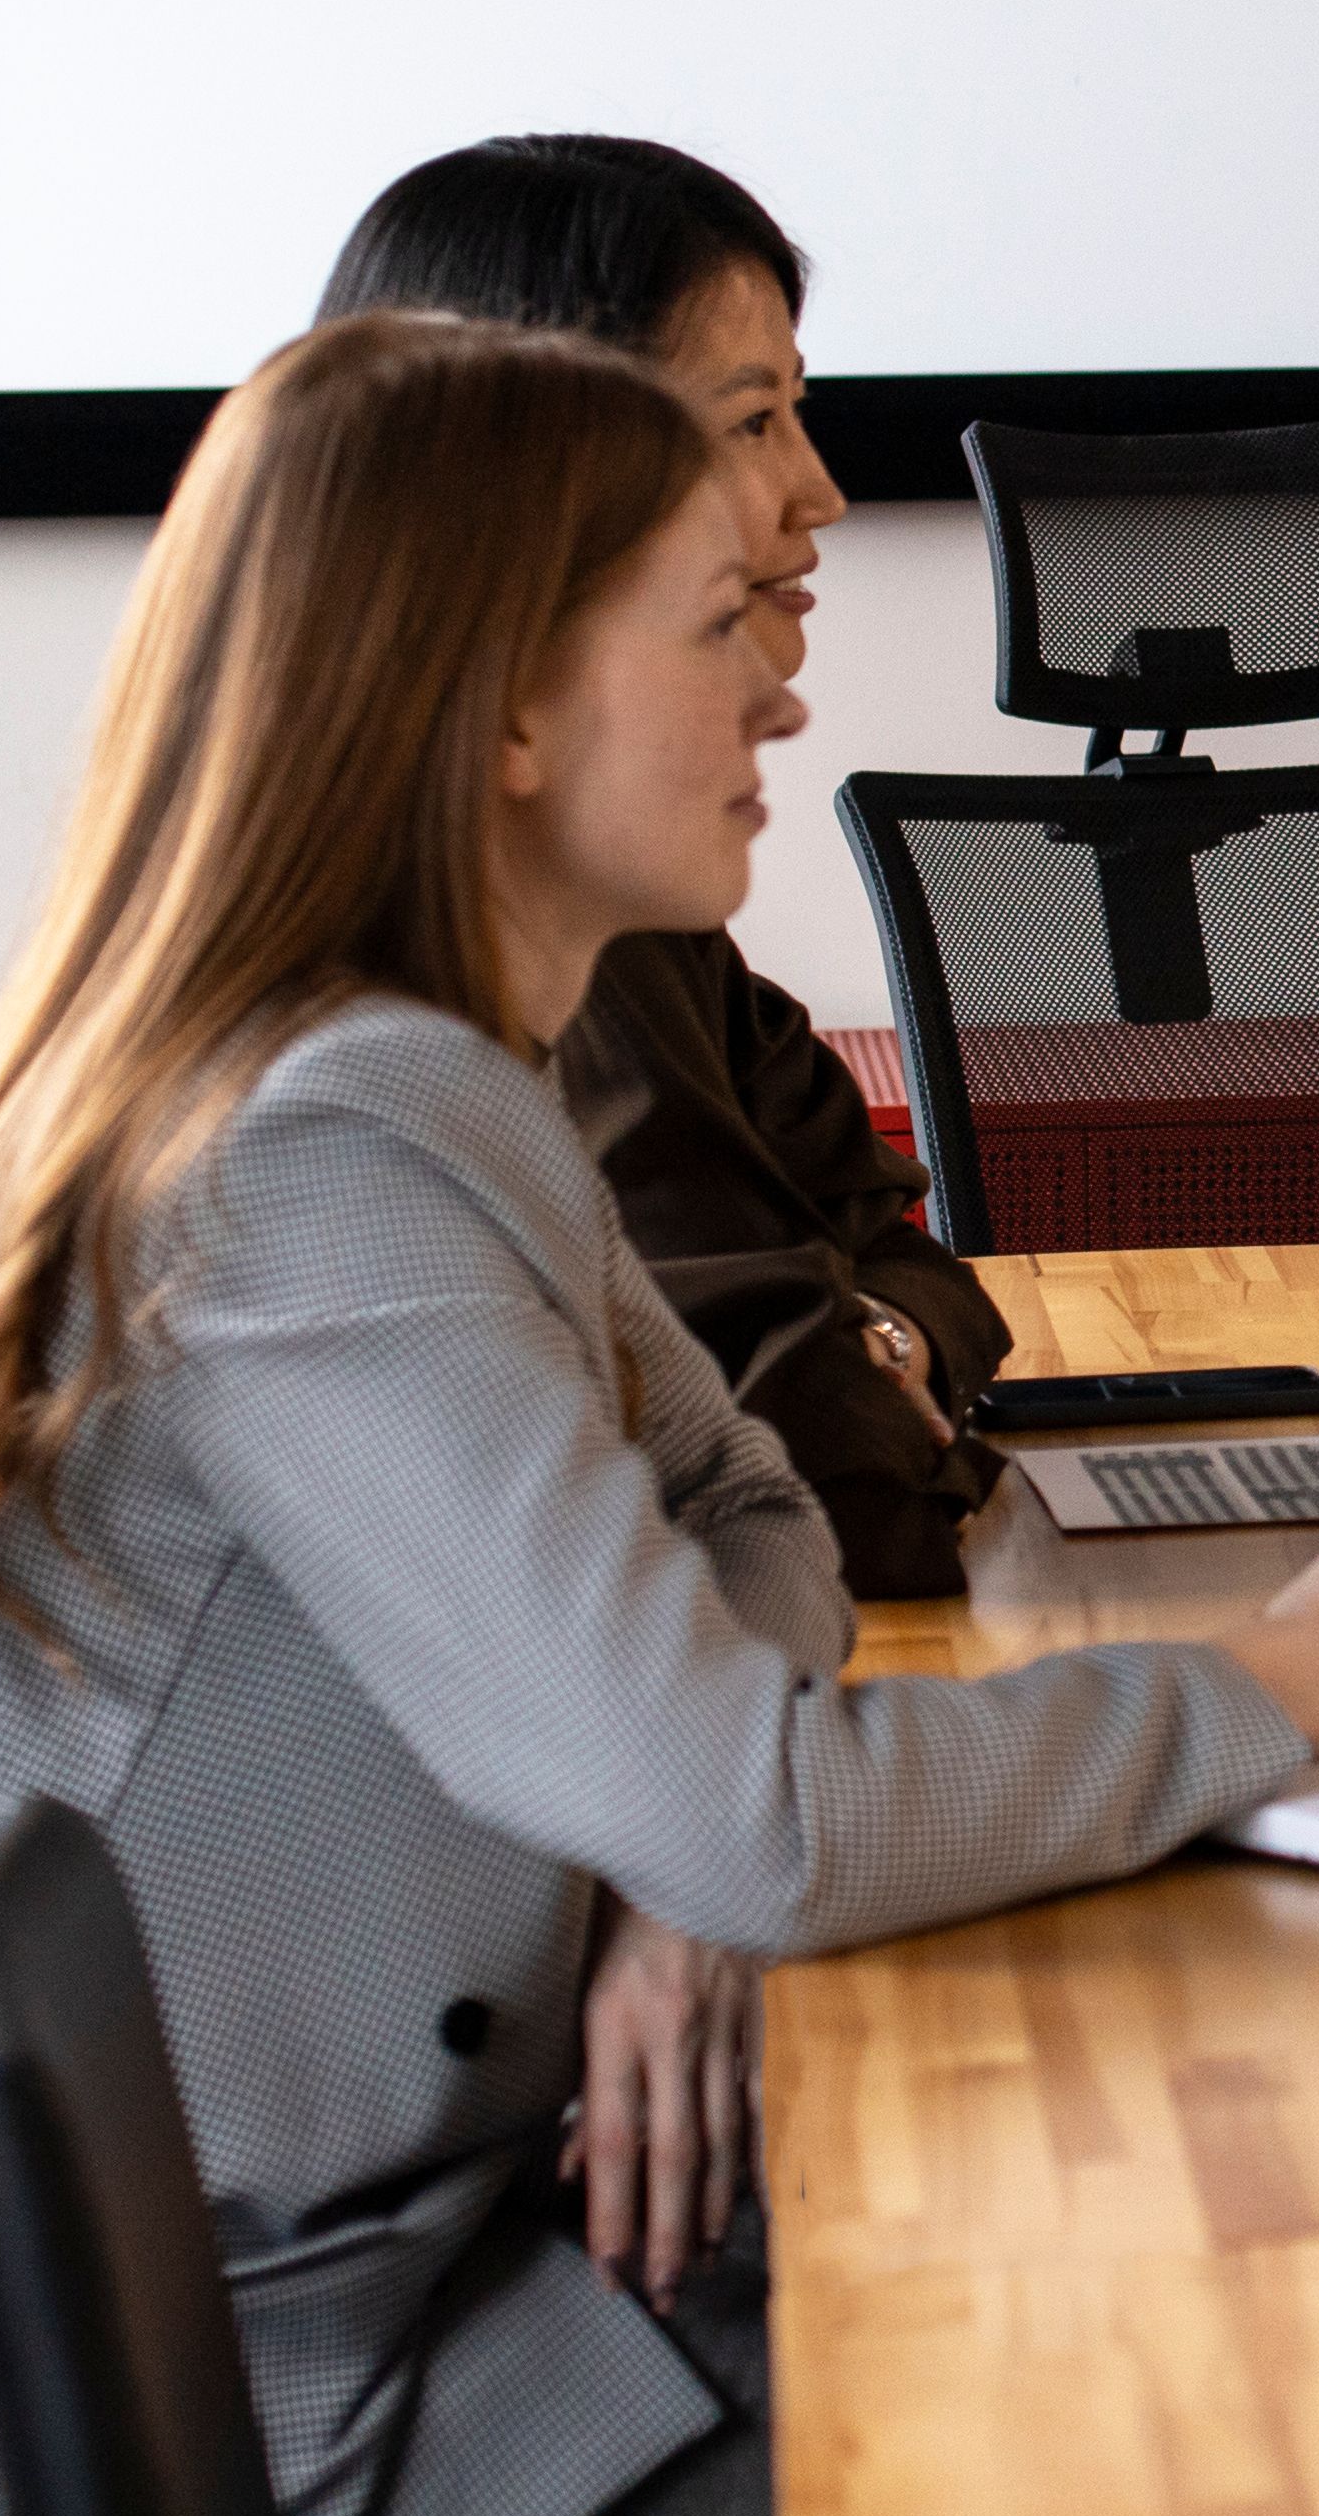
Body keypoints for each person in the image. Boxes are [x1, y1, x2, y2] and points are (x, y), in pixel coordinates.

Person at [0, 313, 1319, 2516]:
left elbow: (743, 1502)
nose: (783, 686)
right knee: (1186, 2417)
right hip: (124, 2490)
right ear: (508, 711)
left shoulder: (414, 1061)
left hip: (294, 2277)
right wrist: (1293, 1671)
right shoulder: (323, 1149)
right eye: (720, 621)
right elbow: (765, 1794)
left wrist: (671, 1838)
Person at [324, 133, 1012, 1594]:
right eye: (752, 423)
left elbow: (908, 1257)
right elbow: (832, 1502)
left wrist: (883, 1341)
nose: (816, 491)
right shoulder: (450, 1002)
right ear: (539, 463)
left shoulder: (613, 901)